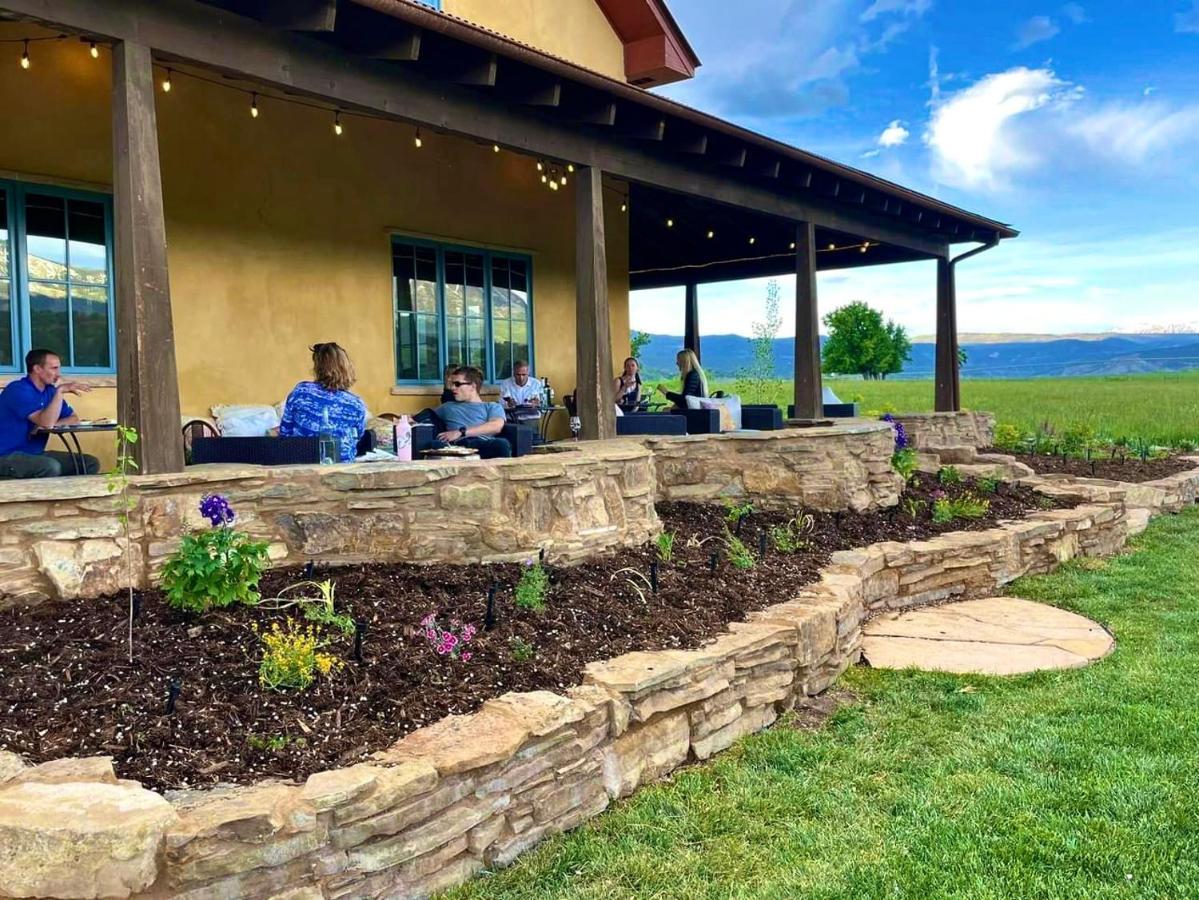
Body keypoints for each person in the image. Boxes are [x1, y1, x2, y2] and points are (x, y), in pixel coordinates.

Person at [0, 349, 99, 478]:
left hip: (34, 453)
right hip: (6, 455)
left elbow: (74, 419)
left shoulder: (50, 391)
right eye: (54, 368)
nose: (58, 374)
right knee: (50, 467)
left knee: (89, 463)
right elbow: (46, 423)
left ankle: (69, 498)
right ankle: (43, 498)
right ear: (37, 369)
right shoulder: (18, 389)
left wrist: (54, 424)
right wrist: (60, 391)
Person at [279, 342, 367, 462]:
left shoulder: (301, 392)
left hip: (302, 468)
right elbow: (357, 438)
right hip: (343, 470)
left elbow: (284, 434)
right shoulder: (356, 405)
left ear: (317, 367)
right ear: (347, 368)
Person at [434, 365, 512, 459]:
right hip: (456, 447)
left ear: (473, 386)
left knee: (501, 444)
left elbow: (496, 426)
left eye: (457, 384)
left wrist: (461, 432)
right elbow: (419, 417)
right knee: (435, 445)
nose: (453, 388)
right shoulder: (447, 407)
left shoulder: (491, 406)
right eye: (452, 384)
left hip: (483, 445)